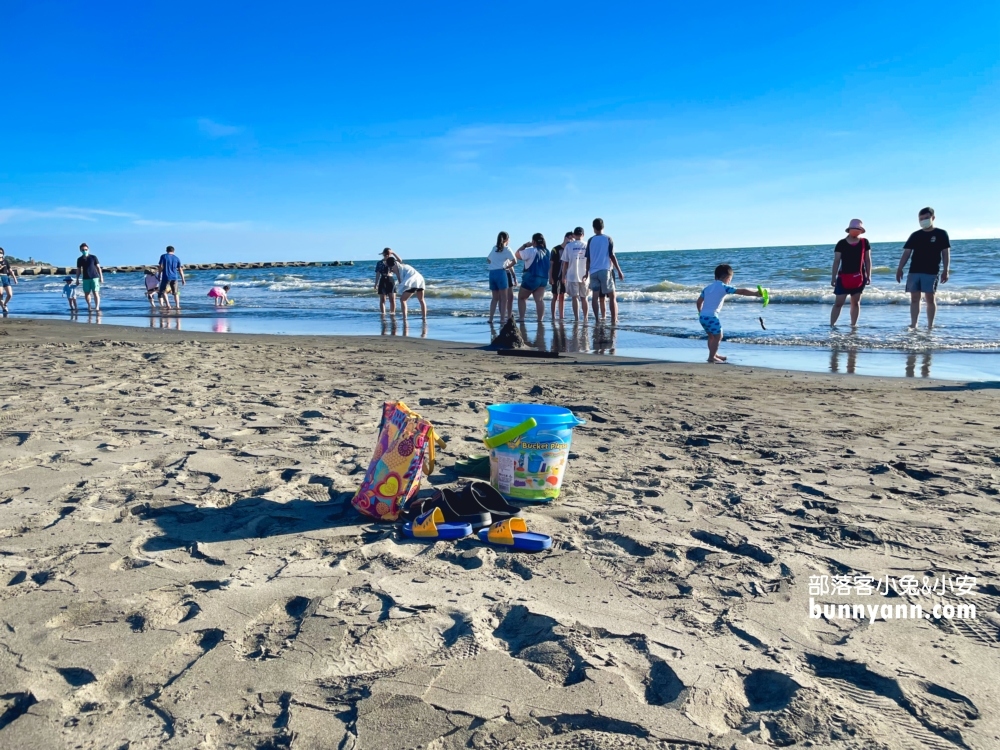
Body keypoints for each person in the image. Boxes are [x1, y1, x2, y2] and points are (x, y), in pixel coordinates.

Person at [696, 264, 764, 364]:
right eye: (730, 279)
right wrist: (755, 293)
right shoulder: (724, 287)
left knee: (711, 337)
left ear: (716, 277)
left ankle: (713, 354)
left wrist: (700, 312)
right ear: (728, 278)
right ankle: (711, 357)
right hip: (712, 316)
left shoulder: (707, 288)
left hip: (702, 316)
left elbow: (698, 302)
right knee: (718, 336)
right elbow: (741, 291)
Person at [896, 207, 950, 329]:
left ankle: (930, 325)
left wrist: (946, 270)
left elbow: (945, 253)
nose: (923, 220)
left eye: (926, 218)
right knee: (914, 298)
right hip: (914, 270)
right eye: (921, 219)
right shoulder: (915, 235)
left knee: (930, 298)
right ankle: (914, 324)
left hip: (931, 271)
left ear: (933, 218)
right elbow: (906, 253)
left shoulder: (941, 234)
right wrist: (899, 268)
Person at [830, 219, 872, 326]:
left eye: (858, 229)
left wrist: (869, 275)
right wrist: (833, 277)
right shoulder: (841, 243)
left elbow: (867, 260)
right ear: (849, 230)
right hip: (843, 277)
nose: (856, 231)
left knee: (855, 302)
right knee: (838, 303)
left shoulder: (864, 242)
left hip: (859, 277)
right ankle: (832, 326)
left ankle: (853, 327)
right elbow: (836, 261)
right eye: (854, 229)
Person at [585, 218, 625, 323]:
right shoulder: (608, 239)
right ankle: (614, 319)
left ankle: (597, 319)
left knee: (595, 297)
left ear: (593, 228)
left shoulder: (590, 240)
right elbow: (612, 255)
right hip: (605, 270)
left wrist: (586, 272)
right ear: (603, 227)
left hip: (593, 272)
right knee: (612, 296)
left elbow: (588, 259)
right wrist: (619, 271)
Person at [515, 233, 551, 323]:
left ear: (533, 241)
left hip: (532, 277)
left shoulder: (531, 251)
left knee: (522, 298)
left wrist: (525, 245)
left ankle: (522, 318)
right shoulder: (547, 252)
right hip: (543, 279)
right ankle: (540, 319)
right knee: (539, 300)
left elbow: (517, 255)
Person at [384, 251, 427, 320]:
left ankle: (404, 317)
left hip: (413, 280)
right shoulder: (402, 265)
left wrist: (395, 274)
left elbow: (399, 278)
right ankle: (424, 317)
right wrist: (393, 253)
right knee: (421, 300)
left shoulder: (394, 267)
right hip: (420, 279)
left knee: (403, 300)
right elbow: (399, 261)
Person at [487, 231, 516, 323]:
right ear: (507, 239)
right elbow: (514, 261)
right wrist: (507, 266)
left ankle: (490, 319)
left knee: (495, 298)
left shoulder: (494, 248)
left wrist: (495, 263)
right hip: (501, 272)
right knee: (504, 298)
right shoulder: (507, 249)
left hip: (492, 273)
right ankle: (502, 319)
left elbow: (488, 259)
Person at [561, 227, 589, 322]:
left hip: (572, 275)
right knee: (584, 297)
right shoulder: (587, 245)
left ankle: (577, 318)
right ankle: (585, 318)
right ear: (583, 235)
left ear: (574, 235)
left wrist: (563, 275)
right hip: (585, 275)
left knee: (575, 297)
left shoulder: (569, 246)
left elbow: (565, 263)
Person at [74, 243, 104, 312]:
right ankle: (89, 306)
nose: (85, 251)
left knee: (95, 292)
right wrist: (77, 279)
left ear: (88, 249)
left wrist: (101, 277)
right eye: (83, 250)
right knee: (86, 293)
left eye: (86, 249)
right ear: (80, 251)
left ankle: (97, 307)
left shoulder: (93, 257)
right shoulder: (80, 259)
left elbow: (98, 267)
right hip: (85, 278)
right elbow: (78, 270)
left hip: (94, 277)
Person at [549, 232, 571, 320]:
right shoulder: (555, 249)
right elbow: (551, 264)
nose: (571, 240)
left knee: (562, 295)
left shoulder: (570, 249)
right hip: (555, 275)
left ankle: (561, 316)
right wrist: (550, 277)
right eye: (570, 238)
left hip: (565, 276)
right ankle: (553, 316)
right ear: (565, 238)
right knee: (555, 296)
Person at [157, 245, 185, 310]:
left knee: (163, 291)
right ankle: (177, 306)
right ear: (173, 251)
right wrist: (183, 279)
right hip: (175, 277)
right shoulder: (177, 258)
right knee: (176, 292)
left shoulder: (163, 256)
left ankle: (168, 305)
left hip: (166, 277)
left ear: (166, 250)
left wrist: (159, 275)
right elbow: (180, 269)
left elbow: (161, 266)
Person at [374, 248, 397, 314]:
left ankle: (392, 313)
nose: (387, 255)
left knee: (392, 299)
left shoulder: (392, 261)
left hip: (390, 279)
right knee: (383, 299)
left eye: (389, 254)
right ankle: (383, 314)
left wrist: (394, 253)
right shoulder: (379, 263)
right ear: (383, 253)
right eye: (386, 253)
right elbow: (378, 273)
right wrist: (376, 283)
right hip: (383, 280)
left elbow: (400, 260)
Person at [0, 250, 17, 314]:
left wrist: (15, 278)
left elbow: (10, 270)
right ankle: (4, 308)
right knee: (0, 294)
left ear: (3, 254)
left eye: (1, 253)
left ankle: (4, 304)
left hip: (5, 277)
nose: (0, 254)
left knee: (9, 294)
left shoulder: (6, 261)